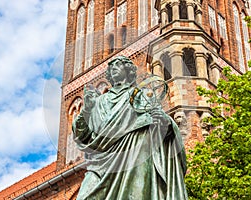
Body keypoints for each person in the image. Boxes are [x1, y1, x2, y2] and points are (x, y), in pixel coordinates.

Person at [73, 56, 188, 199]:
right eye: (111, 66)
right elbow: (83, 136)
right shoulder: (99, 101)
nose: (113, 67)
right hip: (101, 164)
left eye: (118, 65)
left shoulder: (141, 95)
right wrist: (86, 110)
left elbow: (159, 122)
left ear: (128, 71)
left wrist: (165, 122)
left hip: (135, 156)